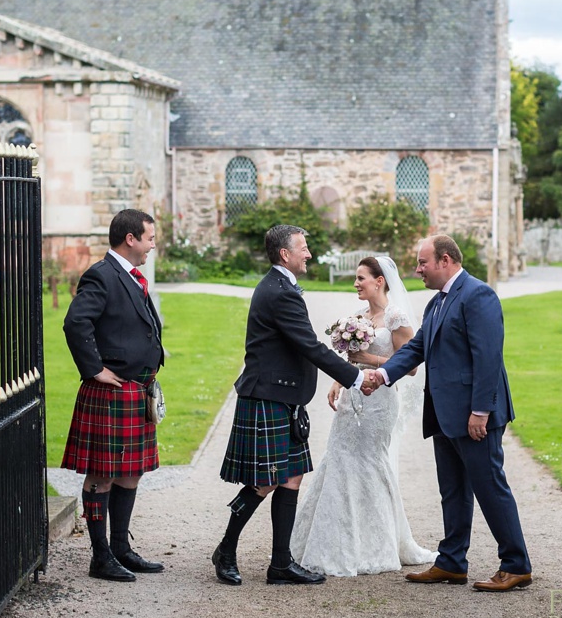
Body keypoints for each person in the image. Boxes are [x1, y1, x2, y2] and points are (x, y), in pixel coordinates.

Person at [363, 234, 532, 592]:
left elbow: (488, 358)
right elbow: (417, 348)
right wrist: (382, 374)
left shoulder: (478, 295)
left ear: (445, 260)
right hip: (443, 414)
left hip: (474, 416)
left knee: (490, 487)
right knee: (452, 490)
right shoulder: (436, 303)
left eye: (423, 263)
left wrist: (481, 411)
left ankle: (516, 564)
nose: (417, 269)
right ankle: (452, 562)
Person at [213, 224, 365, 587]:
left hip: (282, 395)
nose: (308, 253)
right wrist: (355, 377)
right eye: (303, 248)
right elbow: (309, 345)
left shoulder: (280, 286)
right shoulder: (279, 291)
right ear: (285, 254)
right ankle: (226, 550)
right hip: (268, 395)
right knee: (264, 483)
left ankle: (281, 563)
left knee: (291, 476)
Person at [290, 255, 437, 576]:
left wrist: (367, 357)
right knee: (339, 457)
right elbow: (349, 361)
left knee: (370, 461)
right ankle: (332, 540)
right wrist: (336, 381)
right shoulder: (358, 316)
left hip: (380, 401)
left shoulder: (397, 317)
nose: (355, 284)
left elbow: (410, 367)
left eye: (361, 278)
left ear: (379, 281)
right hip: (352, 397)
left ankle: (376, 542)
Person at [61, 208, 165, 583]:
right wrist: (93, 368)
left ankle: (121, 548)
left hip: (137, 390)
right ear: (131, 239)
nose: (153, 244)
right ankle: (100, 556)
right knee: (102, 474)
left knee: (131, 472)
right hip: (113, 391)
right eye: (150, 238)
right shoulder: (103, 275)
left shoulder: (132, 276)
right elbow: (76, 322)